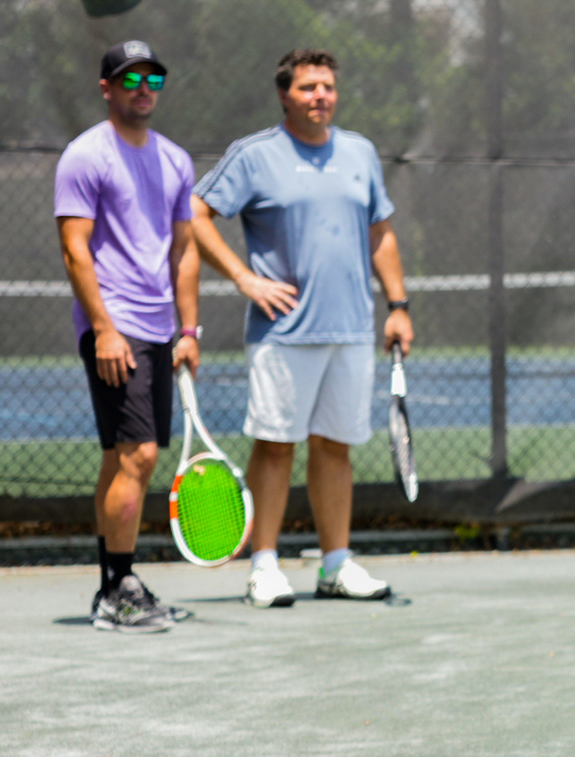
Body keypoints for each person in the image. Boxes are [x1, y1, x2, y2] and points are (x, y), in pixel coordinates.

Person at [189, 48, 412, 608]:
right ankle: (263, 566)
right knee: (276, 447)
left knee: (335, 448)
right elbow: (196, 213)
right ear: (284, 95)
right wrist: (245, 278)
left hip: (351, 331)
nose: (321, 96)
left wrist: (398, 305)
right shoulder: (255, 155)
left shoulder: (359, 152)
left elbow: (380, 233)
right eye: (309, 87)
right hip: (282, 332)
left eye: (328, 86)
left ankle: (335, 564)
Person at [55, 40, 201, 633]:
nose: (144, 89)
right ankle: (120, 588)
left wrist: (188, 329)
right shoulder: (84, 156)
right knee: (139, 455)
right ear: (107, 88)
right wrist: (104, 329)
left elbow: (184, 251)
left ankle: (113, 587)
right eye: (131, 79)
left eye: (153, 80)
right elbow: (75, 249)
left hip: (162, 329)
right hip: (115, 327)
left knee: (123, 456)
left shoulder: (176, 160)